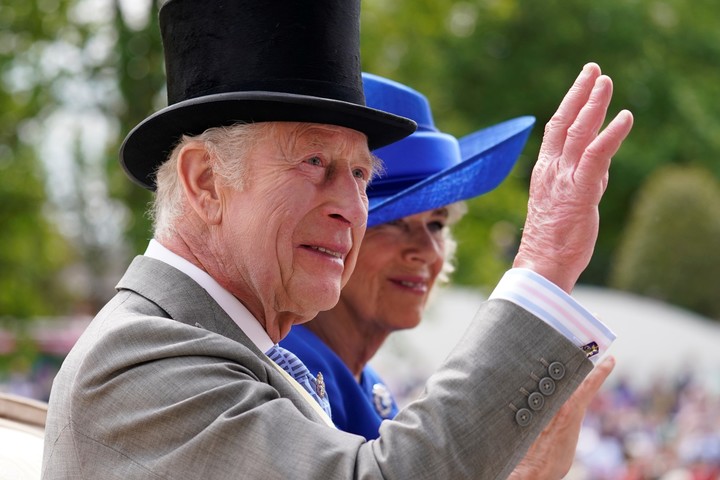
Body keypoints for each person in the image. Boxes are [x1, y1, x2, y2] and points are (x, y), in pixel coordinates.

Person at [42, 1, 634, 479]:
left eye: (360, 175)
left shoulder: (218, 348)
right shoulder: (140, 363)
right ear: (205, 181)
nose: (354, 209)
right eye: (315, 163)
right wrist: (545, 262)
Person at [280, 72, 539, 440]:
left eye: (437, 224)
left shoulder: (366, 384)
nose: (426, 251)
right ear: (331, 233)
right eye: (393, 223)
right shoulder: (292, 371)